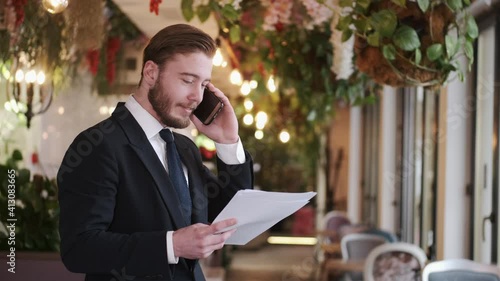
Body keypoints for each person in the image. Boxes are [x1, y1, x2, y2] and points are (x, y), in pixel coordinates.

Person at [57, 24, 254, 281]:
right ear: (151, 72)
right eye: (187, 80)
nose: (197, 96)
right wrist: (172, 245)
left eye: (204, 84)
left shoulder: (185, 149)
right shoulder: (99, 145)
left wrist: (228, 141)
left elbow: (228, 215)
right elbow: (79, 249)